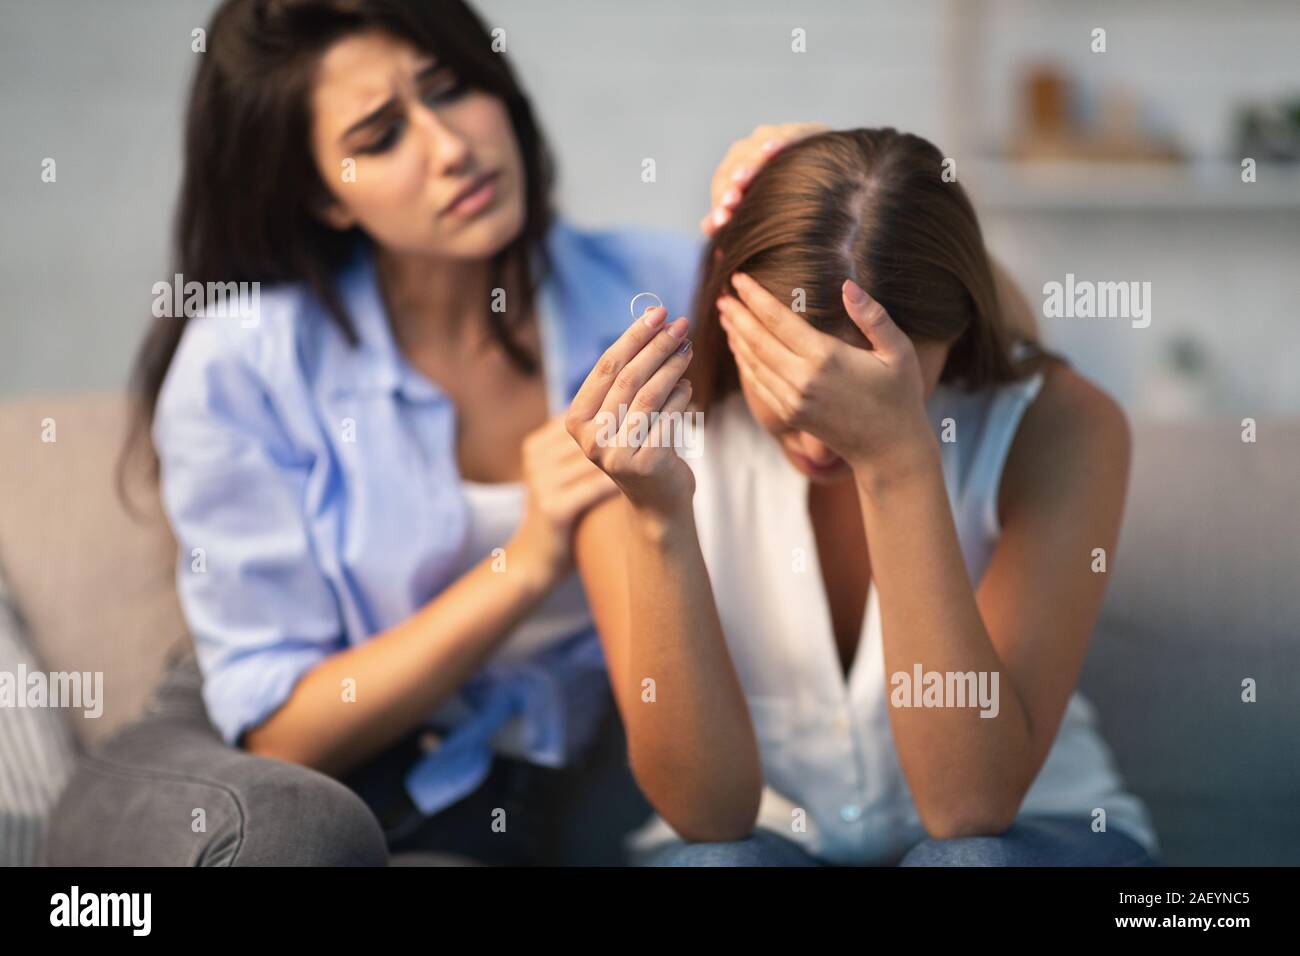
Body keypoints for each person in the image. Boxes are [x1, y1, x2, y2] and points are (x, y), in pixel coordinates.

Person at [46, 0, 797, 866]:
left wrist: (826, 187)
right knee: (301, 836)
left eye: (449, 90)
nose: (450, 148)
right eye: (380, 138)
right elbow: (282, 735)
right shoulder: (243, 361)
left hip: (545, 773)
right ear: (324, 195)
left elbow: (953, 346)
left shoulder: (657, 289)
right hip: (292, 763)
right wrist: (529, 557)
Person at [566, 127, 1161, 866]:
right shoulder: (637, 443)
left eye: (873, 385)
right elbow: (706, 815)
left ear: (959, 326)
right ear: (729, 310)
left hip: (1035, 836)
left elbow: (969, 807)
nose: (822, 439)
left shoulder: (1063, 426)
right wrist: (660, 522)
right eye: (789, 378)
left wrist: (898, 461)